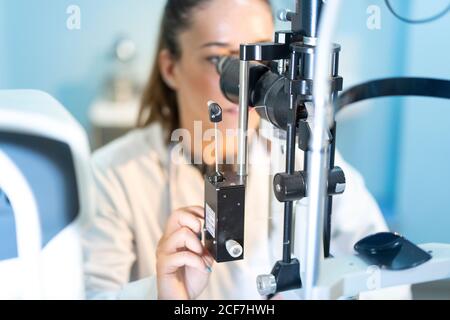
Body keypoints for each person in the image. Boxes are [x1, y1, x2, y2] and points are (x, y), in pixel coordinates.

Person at [82, 0, 409, 300]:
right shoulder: (113, 176)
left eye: (260, 61)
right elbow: (91, 293)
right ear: (171, 68)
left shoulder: (303, 155)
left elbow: (386, 277)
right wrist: (164, 295)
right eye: (220, 61)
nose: (247, 84)